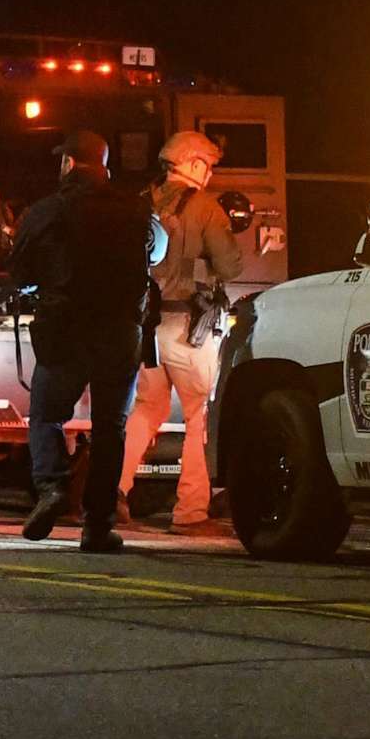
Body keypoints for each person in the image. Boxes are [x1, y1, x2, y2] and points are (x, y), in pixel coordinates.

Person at [14, 130, 166, 552]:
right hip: (120, 335)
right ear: (105, 167)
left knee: (46, 417)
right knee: (110, 429)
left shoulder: (48, 211)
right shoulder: (136, 210)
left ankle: (51, 488)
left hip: (66, 330)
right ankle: (97, 526)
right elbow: (156, 255)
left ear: (67, 164)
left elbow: (20, 267)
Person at [118, 129, 245, 534]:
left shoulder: (141, 205)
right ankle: (191, 511)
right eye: (206, 165)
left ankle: (111, 493)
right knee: (199, 415)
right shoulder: (206, 208)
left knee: (146, 409)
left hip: (145, 326)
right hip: (188, 327)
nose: (209, 174)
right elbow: (230, 268)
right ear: (191, 164)